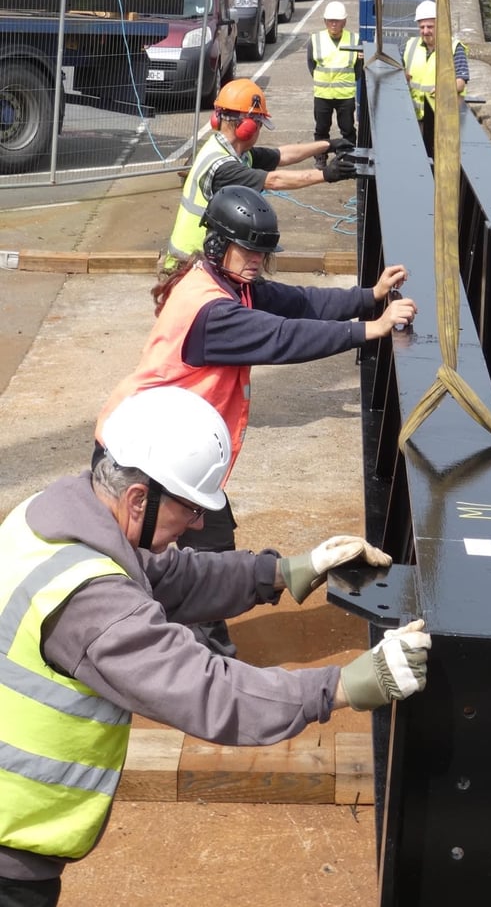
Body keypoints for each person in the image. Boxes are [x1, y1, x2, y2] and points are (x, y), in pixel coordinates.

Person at [0, 385, 431, 907]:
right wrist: (343, 684)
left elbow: (169, 576)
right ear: (140, 499)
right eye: (191, 508)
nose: (200, 523)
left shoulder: (51, 518)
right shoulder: (90, 605)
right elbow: (207, 691)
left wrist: (283, 571)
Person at [95, 185, 417, 655]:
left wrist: (369, 296)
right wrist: (371, 329)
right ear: (217, 244)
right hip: (141, 455)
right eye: (248, 249)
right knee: (188, 554)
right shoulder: (212, 310)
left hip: (158, 444)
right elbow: (283, 337)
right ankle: (201, 661)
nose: (255, 260)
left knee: (190, 547)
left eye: (262, 252)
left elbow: (296, 303)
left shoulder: (225, 280)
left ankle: (186, 645)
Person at [165, 78, 357, 271]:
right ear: (249, 126)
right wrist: (327, 174)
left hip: (203, 259)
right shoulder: (224, 166)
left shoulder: (230, 150)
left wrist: (328, 145)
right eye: (260, 125)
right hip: (188, 265)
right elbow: (274, 180)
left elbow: (282, 155)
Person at [402, 0, 470, 158]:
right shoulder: (410, 45)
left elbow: (461, 80)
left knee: (439, 161)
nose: (425, 31)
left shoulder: (454, 48)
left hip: (442, 119)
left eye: (430, 26)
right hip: (414, 117)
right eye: (422, 27)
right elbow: (397, 68)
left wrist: (445, 89)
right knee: (416, 159)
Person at [307, 0, 363, 170]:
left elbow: (358, 70)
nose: (333, 23)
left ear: (344, 22)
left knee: (347, 129)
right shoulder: (316, 39)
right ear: (325, 21)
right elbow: (311, 64)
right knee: (321, 129)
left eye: (337, 20)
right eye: (330, 20)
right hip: (322, 95)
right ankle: (320, 158)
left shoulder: (354, 39)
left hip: (345, 95)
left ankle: (347, 156)